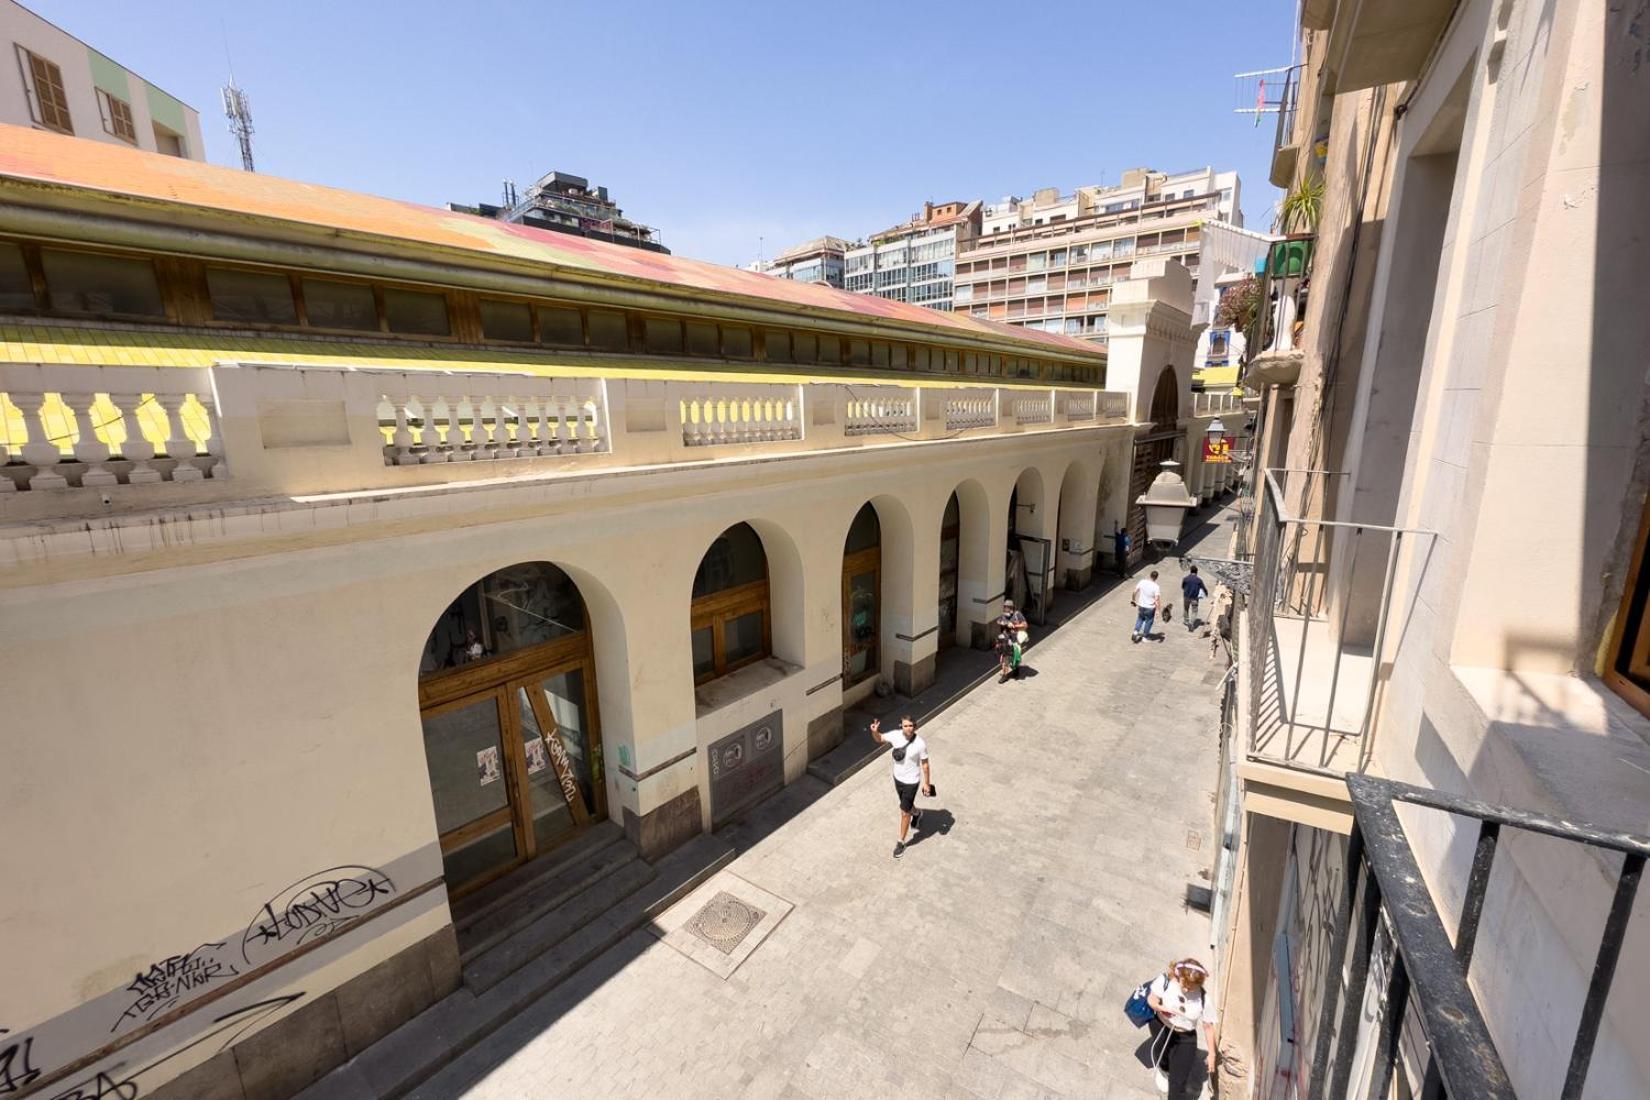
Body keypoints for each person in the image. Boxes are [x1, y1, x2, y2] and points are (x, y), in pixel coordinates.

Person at [1146, 958, 1218, 1098]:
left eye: (1191, 987)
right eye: (1183, 984)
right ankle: (1164, 1069)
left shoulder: (1203, 998)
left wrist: (1212, 1054)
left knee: (1178, 1083)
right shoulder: (1165, 981)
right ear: (1179, 974)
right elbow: (1151, 1000)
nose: (1185, 989)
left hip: (1185, 1037)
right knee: (1162, 1053)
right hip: (1161, 1026)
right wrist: (1160, 1007)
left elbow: (1208, 1026)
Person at [869, 716, 932, 858]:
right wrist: (874, 731)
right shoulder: (896, 735)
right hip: (897, 779)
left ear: (915, 726)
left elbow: (925, 764)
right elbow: (879, 739)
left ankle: (901, 842)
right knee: (907, 807)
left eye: (911, 725)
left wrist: (927, 783)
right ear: (901, 726)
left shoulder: (920, 744)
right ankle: (917, 813)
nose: (908, 728)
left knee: (904, 812)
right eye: (905, 726)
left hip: (912, 781)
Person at [995, 600, 1029, 682]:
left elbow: (1025, 625)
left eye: (1007, 607)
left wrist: (1014, 625)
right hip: (1005, 641)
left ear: (1011, 608)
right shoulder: (1003, 615)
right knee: (1005, 658)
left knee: (1015, 658)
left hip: (1015, 640)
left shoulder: (1017, 615)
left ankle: (1016, 668)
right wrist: (1004, 623)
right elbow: (998, 621)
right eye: (1005, 607)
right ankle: (1005, 675)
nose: (1006, 609)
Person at [1131, 570, 1162, 642]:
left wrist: (1133, 600)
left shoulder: (1142, 582)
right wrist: (1157, 610)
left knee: (1140, 618)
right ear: (1156, 578)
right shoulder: (1156, 587)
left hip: (1141, 605)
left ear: (1150, 575)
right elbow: (1157, 599)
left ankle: (1136, 631)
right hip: (1150, 607)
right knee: (1149, 621)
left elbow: (1134, 591)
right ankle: (1145, 637)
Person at [1180, 566, 1209, 632]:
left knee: (1186, 609)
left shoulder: (1185, 578)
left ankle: (1186, 621)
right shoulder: (1199, 580)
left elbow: (1182, 586)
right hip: (1194, 598)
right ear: (1196, 572)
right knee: (1194, 611)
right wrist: (1206, 593)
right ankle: (1191, 622)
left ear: (1190, 571)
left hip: (1186, 597)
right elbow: (1203, 588)